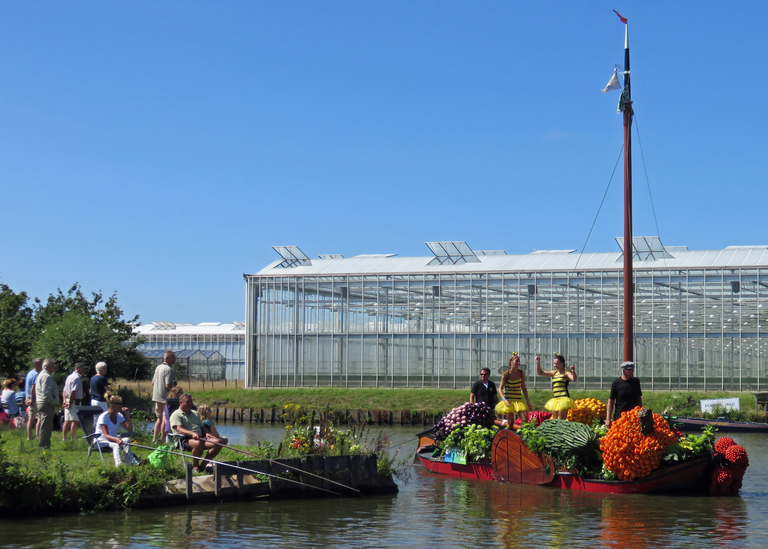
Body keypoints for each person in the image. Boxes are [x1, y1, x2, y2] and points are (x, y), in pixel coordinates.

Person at [170, 393, 225, 472]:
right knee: (198, 443)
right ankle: (195, 466)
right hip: (183, 440)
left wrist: (206, 433)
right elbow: (179, 429)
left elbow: (202, 427)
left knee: (218, 442)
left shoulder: (195, 413)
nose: (190, 404)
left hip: (200, 438)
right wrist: (192, 433)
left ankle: (203, 465)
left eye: (191, 401)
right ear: (180, 402)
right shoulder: (176, 415)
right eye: (187, 401)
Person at [96, 395, 137, 466]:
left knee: (127, 440)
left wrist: (127, 415)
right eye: (120, 404)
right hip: (101, 441)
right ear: (113, 405)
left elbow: (130, 430)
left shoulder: (119, 416)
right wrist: (116, 439)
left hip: (112, 440)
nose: (122, 406)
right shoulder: (104, 417)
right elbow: (106, 436)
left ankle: (129, 463)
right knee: (116, 445)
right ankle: (119, 466)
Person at [536, 353, 577, 420]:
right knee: (555, 420)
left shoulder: (566, 372)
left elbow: (574, 379)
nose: (555, 365)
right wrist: (538, 363)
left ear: (562, 363)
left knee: (560, 419)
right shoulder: (554, 373)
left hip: (564, 398)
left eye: (557, 363)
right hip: (556, 399)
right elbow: (540, 373)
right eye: (554, 363)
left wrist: (573, 371)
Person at [495, 353, 533, 425]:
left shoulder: (522, 373)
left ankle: (523, 434)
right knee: (511, 423)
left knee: (525, 419)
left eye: (519, 361)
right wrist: (504, 399)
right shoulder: (506, 374)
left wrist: (528, 401)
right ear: (511, 362)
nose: (518, 363)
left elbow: (524, 388)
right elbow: (500, 388)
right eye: (516, 361)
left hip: (518, 400)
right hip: (508, 400)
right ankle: (510, 434)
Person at [605, 361, 643, 427]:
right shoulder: (616, 383)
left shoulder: (636, 381)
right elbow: (611, 401)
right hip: (620, 416)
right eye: (630, 370)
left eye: (633, 369)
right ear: (624, 371)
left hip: (633, 416)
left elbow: (639, 398)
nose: (633, 371)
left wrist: (640, 413)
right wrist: (608, 419)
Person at [151, 351, 176, 443]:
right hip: (165, 398)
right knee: (165, 419)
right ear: (167, 358)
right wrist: (176, 391)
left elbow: (153, 383)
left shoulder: (158, 367)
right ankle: (163, 440)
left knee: (159, 418)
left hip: (157, 396)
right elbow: (168, 385)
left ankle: (155, 439)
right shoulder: (168, 369)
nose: (174, 360)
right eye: (173, 357)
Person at [36, 358, 60, 448]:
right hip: (46, 404)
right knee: (46, 427)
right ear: (47, 366)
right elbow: (46, 393)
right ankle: (44, 446)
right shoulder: (47, 376)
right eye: (53, 366)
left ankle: (44, 445)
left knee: (44, 425)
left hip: (41, 402)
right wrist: (52, 401)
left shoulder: (41, 375)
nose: (55, 368)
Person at [62, 363, 87, 441]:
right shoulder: (77, 378)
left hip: (67, 400)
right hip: (74, 401)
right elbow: (73, 391)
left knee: (67, 420)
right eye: (84, 369)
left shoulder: (69, 377)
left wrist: (64, 401)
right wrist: (70, 401)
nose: (85, 371)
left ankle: (64, 438)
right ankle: (73, 438)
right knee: (74, 421)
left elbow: (64, 390)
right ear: (79, 369)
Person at [24, 358, 43, 440]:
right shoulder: (36, 374)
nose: (41, 365)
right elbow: (33, 387)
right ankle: (38, 436)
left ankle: (29, 436)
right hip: (34, 399)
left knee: (31, 418)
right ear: (34, 364)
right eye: (39, 364)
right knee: (39, 417)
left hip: (28, 398)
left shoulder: (29, 373)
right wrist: (32, 398)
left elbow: (26, 387)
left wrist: (26, 397)